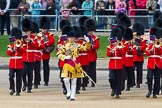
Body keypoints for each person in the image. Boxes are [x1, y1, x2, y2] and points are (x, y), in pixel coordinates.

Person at [56, 25, 89, 101]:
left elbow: (85, 49)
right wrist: (65, 57)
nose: (71, 39)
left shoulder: (77, 45)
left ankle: (73, 95)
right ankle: (68, 91)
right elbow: (58, 54)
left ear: (74, 38)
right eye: (70, 37)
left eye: (72, 37)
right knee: (66, 80)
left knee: (74, 81)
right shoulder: (65, 46)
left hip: (75, 64)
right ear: (68, 38)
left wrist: (87, 42)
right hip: (67, 64)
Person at [107, 27, 125, 98]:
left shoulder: (121, 46)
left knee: (118, 79)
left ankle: (117, 92)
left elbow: (123, 53)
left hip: (119, 64)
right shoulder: (109, 47)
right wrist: (112, 50)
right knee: (111, 78)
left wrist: (119, 48)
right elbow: (108, 54)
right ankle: (113, 89)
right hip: (112, 65)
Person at [7, 27, 25, 96]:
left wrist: (19, 47)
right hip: (12, 64)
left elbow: (24, 51)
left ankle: (18, 91)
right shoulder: (11, 45)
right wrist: (13, 49)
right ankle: (12, 88)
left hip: (19, 63)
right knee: (11, 76)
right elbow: (8, 53)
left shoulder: (21, 44)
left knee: (18, 78)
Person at [145, 27, 161, 98]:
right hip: (151, 64)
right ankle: (149, 90)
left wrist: (158, 47)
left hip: (158, 64)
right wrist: (151, 50)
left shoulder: (159, 46)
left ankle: (155, 93)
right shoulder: (149, 46)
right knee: (149, 77)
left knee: (157, 79)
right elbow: (147, 53)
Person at [57, 19, 71, 94]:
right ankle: (64, 88)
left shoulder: (72, 41)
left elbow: (74, 49)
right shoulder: (60, 40)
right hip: (62, 61)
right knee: (62, 77)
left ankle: (70, 89)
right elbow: (58, 50)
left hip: (70, 61)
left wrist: (67, 51)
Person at [84, 19, 100, 87]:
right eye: (89, 31)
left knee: (92, 70)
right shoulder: (84, 38)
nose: (90, 32)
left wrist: (91, 46)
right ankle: (85, 82)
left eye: (91, 31)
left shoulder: (95, 38)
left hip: (93, 56)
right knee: (86, 70)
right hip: (86, 56)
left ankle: (93, 81)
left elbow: (97, 45)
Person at [40, 16, 55, 86]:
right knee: (36, 68)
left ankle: (46, 81)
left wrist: (45, 43)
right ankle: (37, 80)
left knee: (46, 66)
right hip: (39, 53)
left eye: (45, 29)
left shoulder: (50, 35)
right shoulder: (39, 35)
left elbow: (52, 41)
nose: (44, 30)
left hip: (46, 52)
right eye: (43, 28)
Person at [21, 18, 35, 93]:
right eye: (26, 31)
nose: (27, 32)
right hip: (24, 57)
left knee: (30, 73)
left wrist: (30, 41)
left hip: (31, 57)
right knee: (23, 71)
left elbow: (36, 46)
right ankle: (24, 83)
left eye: (28, 31)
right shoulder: (22, 38)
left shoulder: (33, 38)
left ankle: (29, 87)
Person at [132, 22, 147, 88]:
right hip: (133, 57)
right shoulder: (132, 39)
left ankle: (138, 82)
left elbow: (144, 47)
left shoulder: (142, 40)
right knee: (131, 70)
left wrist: (139, 47)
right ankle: (133, 82)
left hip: (139, 57)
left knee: (139, 70)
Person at [32, 22, 45, 89]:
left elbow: (42, 46)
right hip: (31, 56)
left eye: (34, 33)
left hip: (37, 56)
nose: (33, 34)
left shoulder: (40, 38)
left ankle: (36, 82)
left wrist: (36, 44)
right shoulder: (28, 38)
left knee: (37, 70)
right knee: (29, 71)